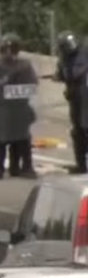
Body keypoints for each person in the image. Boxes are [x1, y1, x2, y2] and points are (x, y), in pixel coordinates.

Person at [0, 33, 38, 180]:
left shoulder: (25, 65)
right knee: (1, 138)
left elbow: (33, 83)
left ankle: (23, 168)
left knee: (23, 138)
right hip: (3, 107)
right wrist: (1, 82)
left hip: (20, 106)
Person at [57, 32, 86, 174]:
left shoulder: (83, 54)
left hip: (84, 98)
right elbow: (63, 74)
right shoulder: (64, 59)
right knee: (77, 132)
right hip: (75, 100)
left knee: (85, 130)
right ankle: (81, 165)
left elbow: (76, 73)